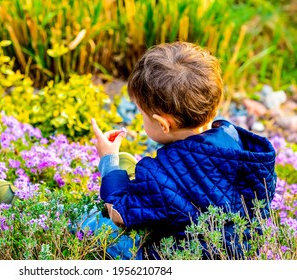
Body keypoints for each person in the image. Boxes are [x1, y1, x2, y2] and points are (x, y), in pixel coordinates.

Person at [89, 41, 277, 259]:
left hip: (184, 260)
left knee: (92, 224)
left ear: (163, 124)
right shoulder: (241, 144)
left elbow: (119, 211)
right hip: (241, 252)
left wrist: (109, 161)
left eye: (142, 114)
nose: (140, 119)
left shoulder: (159, 175)